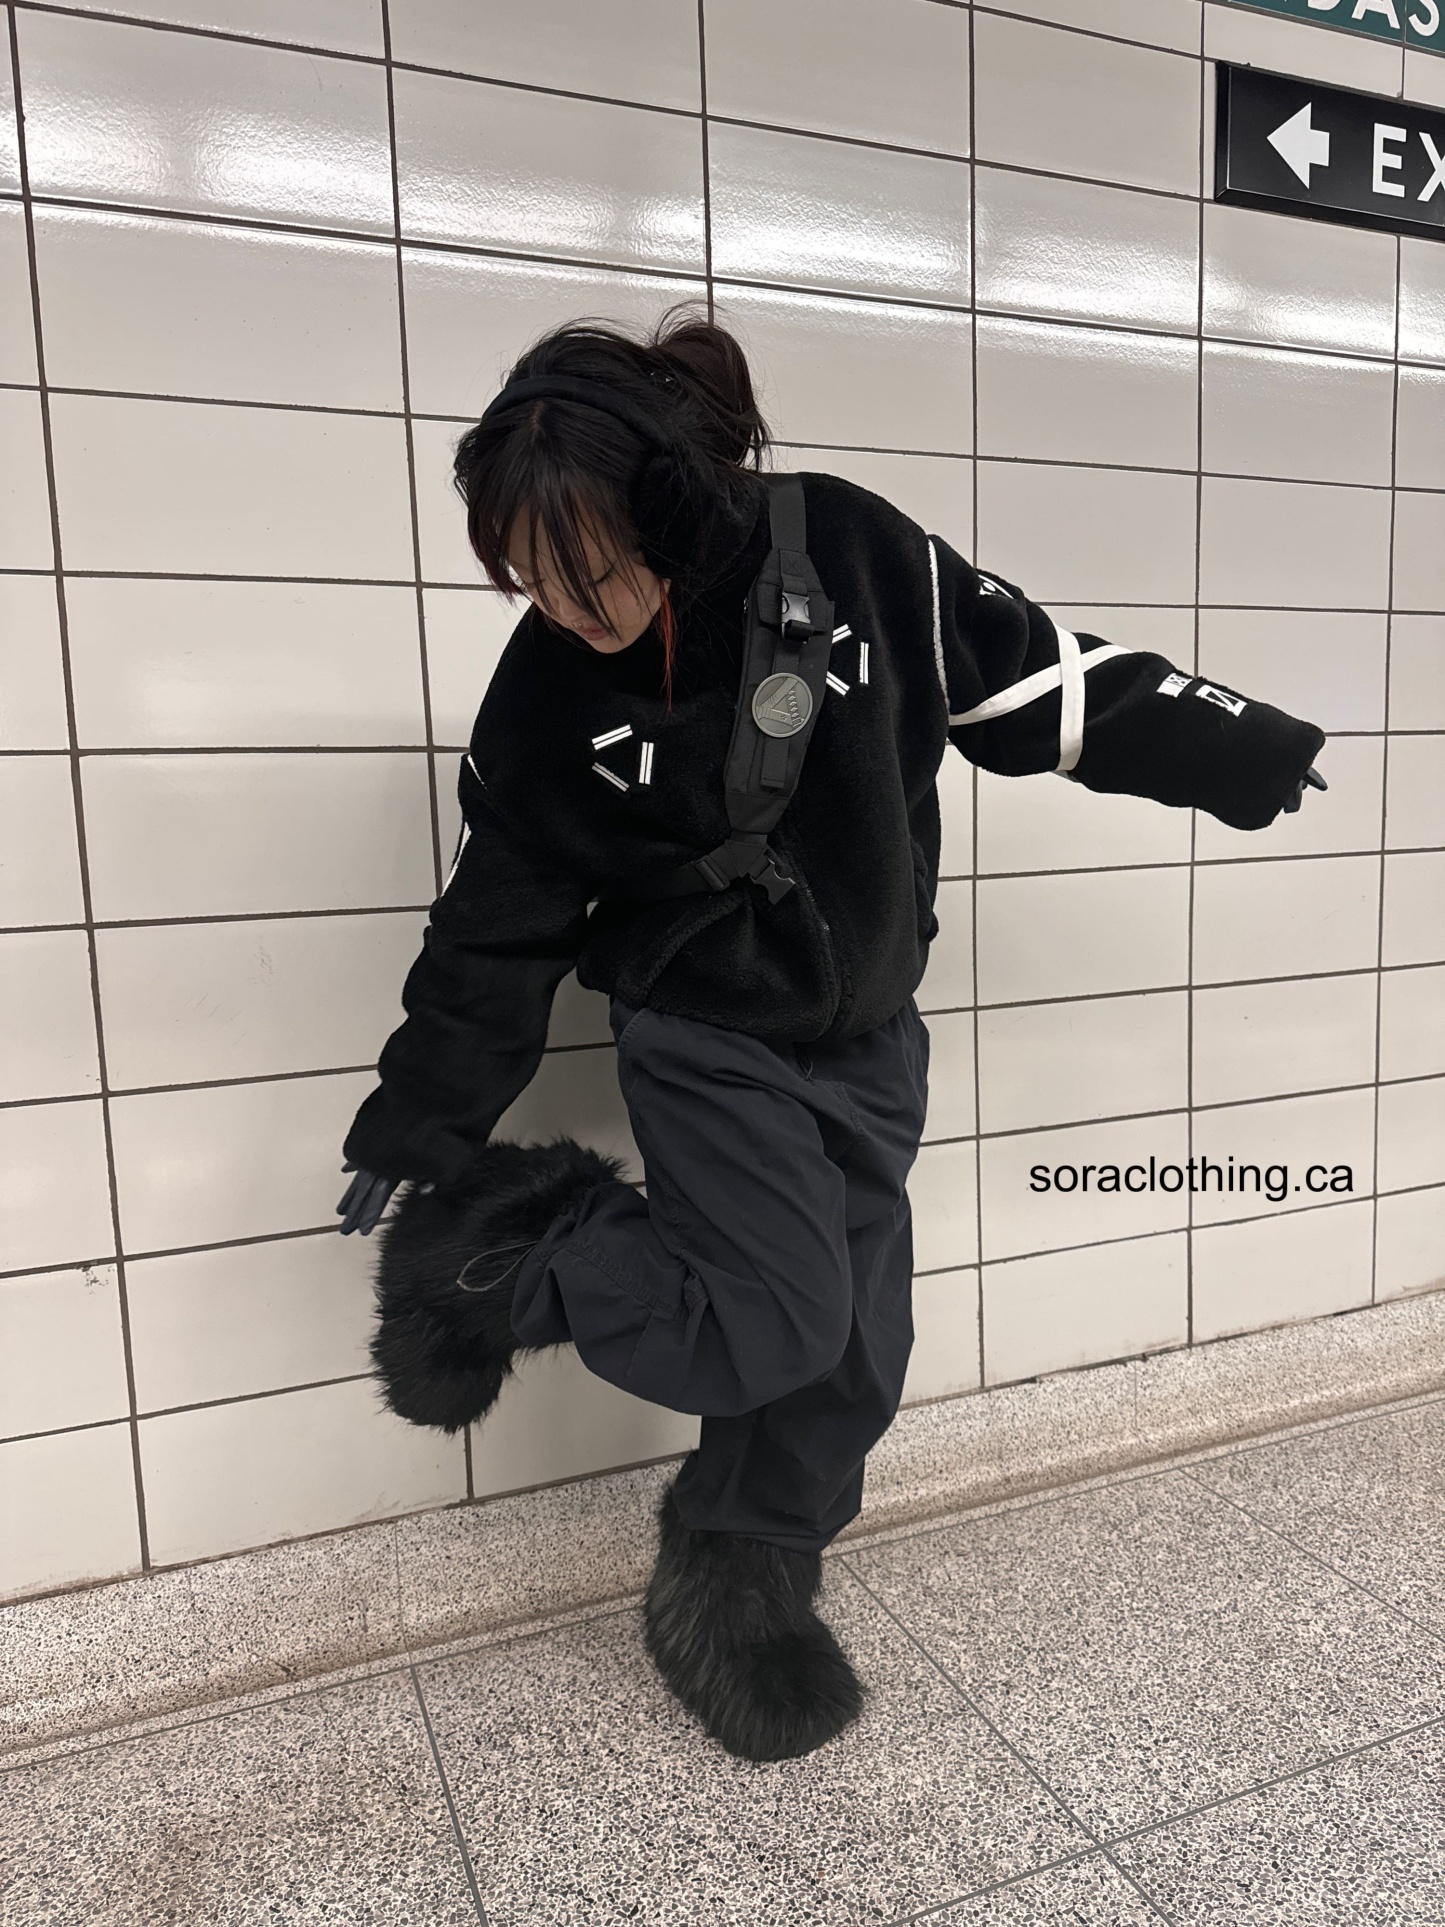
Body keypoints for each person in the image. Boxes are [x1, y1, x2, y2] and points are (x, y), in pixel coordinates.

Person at [336, 309, 1326, 1763]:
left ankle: (736, 1582)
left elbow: (1040, 681)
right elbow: (495, 921)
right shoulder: (548, 685)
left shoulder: (857, 553)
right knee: (774, 1317)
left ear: (670, 509)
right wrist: (423, 1123)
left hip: (868, 1031)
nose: (561, 607)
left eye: (586, 571)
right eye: (527, 578)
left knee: (857, 1350)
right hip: (703, 1033)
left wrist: (1237, 750)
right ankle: (517, 1249)